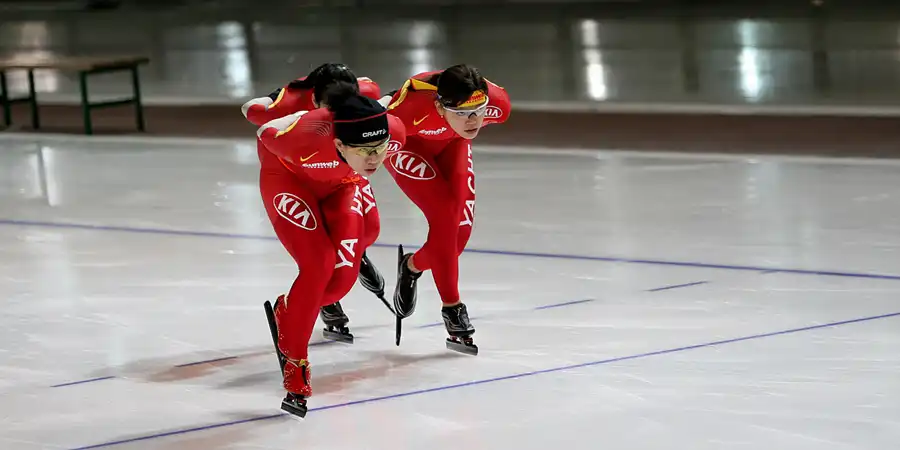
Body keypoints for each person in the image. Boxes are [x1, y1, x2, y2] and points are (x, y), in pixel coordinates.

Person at [257, 81, 406, 418]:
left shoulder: (393, 133)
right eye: (366, 152)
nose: (376, 159)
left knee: (339, 282)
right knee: (319, 264)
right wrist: (297, 117)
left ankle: (289, 309)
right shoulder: (301, 138)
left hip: (343, 183)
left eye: (381, 149)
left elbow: (386, 125)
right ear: (338, 143)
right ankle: (296, 365)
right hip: (289, 179)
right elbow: (265, 130)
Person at [242, 63, 390, 343]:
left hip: (342, 174)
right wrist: (281, 99)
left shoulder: (361, 97)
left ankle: (348, 266)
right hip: (295, 176)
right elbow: (251, 110)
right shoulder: (290, 104)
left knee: (369, 231)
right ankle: (319, 302)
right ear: (314, 100)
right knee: (319, 261)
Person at [379, 64, 511, 355]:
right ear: (440, 108)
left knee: (457, 240)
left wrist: (464, 119)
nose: (474, 120)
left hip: (453, 145)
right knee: (444, 216)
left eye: (478, 111)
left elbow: (478, 112)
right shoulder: (409, 109)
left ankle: (411, 266)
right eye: (462, 113)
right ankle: (453, 308)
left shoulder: (498, 105)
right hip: (408, 144)